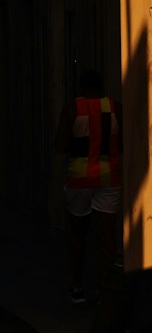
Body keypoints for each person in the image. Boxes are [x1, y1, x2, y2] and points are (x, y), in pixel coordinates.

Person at [54, 68, 123, 304]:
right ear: (103, 87)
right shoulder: (116, 108)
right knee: (107, 236)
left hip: (79, 178)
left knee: (76, 234)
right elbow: (124, 142)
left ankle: (77, 287)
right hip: (109, 177)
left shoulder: (73, 108)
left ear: (81, 87)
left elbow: (60, 145)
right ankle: (104, 287)